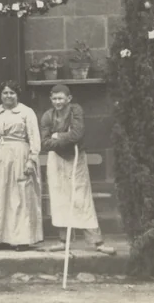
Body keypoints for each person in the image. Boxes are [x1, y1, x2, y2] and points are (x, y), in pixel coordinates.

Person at [40, 84, 116, 256]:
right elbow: (45, 143)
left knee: (81, 198)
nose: (58, 102)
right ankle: (63, 240)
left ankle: (97, 241)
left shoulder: (76, 111)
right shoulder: (47, 116)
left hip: (76, 158)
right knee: (60, 198)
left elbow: (77, 135)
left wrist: (57, 136)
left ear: (69, 98)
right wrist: (62, 140)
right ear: (51, 99)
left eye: (61, 98)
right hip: (56, 159)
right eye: (54, 98)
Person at [0, 81, 43, 250]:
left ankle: (20, 239)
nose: (8, 96)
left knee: (18, 197)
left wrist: (31, 160)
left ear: (17, 94)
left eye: (12, 93)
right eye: (5, 93)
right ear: (1, 95)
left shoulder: (26, 112)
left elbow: (35, 138)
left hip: (19, 155)